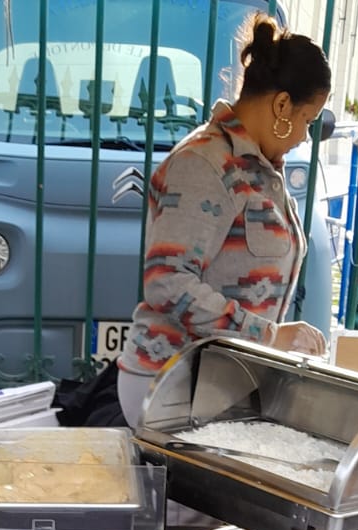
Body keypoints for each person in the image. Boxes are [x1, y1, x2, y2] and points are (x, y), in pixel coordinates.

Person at [118, 13, 332, 428]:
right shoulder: (204, 164)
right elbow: (167, 282)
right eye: (307, 120)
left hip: (213, 381)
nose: (305, 136)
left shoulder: (259, 166)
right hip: (172, 382)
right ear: (282, 105)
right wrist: (269, 336)